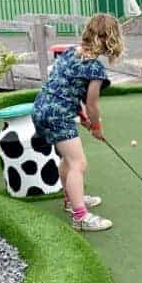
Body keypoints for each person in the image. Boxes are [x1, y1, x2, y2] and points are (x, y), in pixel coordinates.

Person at [32, 14, 123, 232]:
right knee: (78, 164)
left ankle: (71, 199)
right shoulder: (95, 69)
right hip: (59, 115)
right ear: (110, 39)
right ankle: (80, 216)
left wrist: (81, 116)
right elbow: (91, 104)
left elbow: (66, 86)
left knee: (67, 159)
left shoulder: (71, 51)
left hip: (41, 108)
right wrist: (96, 126)